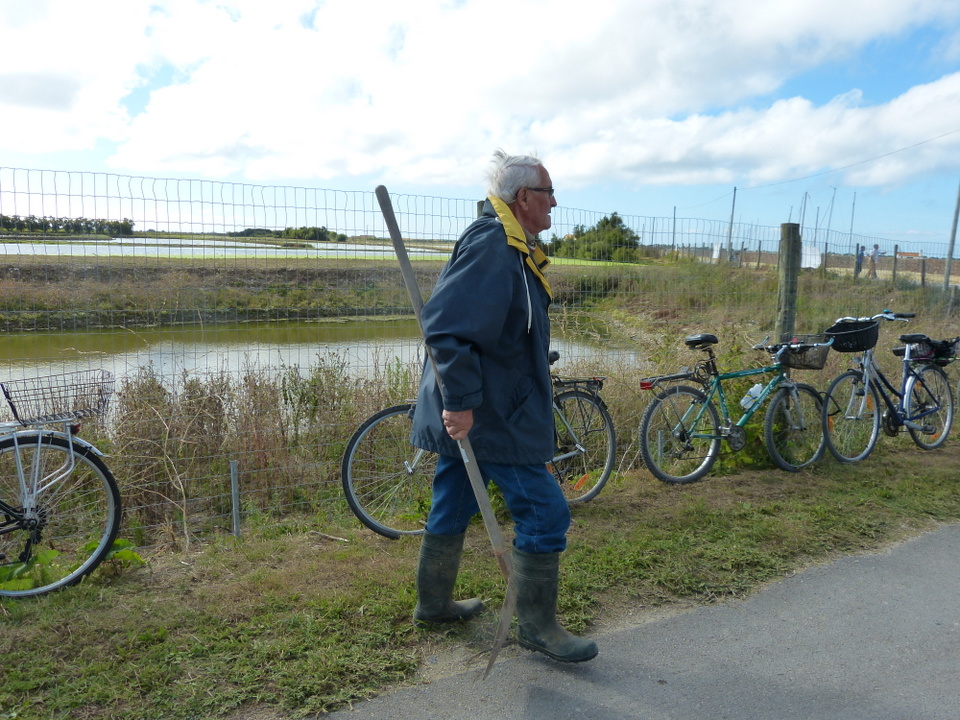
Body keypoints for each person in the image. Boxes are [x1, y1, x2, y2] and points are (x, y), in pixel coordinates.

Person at [409, 149, 598, 663]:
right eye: (548, 192)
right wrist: (464, 403)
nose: (555, 202)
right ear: (523, 198)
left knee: (453, 499)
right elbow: (447, 329)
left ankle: (434, 604)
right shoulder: (495, 244)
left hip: (493, 403)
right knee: (545, 512)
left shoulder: (512, 244)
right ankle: (536, 626)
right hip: (492, 413)